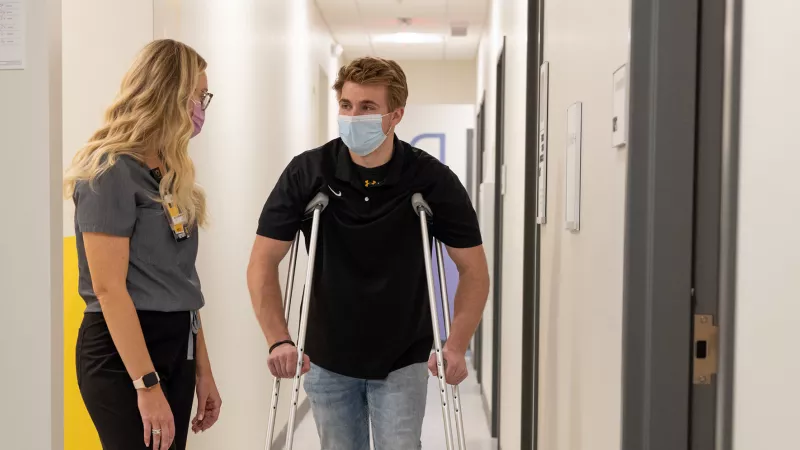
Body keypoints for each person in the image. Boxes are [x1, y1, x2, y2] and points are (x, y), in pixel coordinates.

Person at [247, 56, 490, 449]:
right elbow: (263, 261)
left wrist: (456, 344)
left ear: (396, 115)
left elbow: (474, 271)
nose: (352, 116)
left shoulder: (431, 180)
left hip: (403, 356)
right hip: (328, 354)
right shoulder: (308, 173)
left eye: (367, 108)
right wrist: (278, 339)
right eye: (346, 105)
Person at [64, 39, 221, 450]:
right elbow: (108, 289)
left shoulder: (170, 173)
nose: (200, 107)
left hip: (177, 341)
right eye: (196, 96)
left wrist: (203, 370)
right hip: (123, 354)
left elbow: (183, 282)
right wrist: (146, 384)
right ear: (166, 93)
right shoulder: (109, 170)